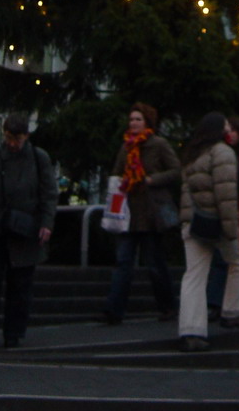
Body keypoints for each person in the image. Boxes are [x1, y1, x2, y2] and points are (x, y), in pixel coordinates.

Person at [0, 113, 58, 350]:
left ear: (26, 136)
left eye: (16, 138)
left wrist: (46, 223)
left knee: (20, 285)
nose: (11, 143)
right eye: (9, 137)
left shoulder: (38, 158)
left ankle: (13, 333)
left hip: (24, 227)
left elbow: (49, 193)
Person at [177, 112, 239, 351]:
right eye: (227, 126)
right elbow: (226, 195)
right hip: (216, 222)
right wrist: (232, 231)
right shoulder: (222, 152)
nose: (229, 130)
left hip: (193, 222)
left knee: (194, 275)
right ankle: (233, 310)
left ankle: (191, 330)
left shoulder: (192, 155)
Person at [103, 102, 180, 324]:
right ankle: (114, 310)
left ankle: (167, 307)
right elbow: (116, 173)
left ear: (147, 122)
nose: (134, 123)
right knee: (123, 261)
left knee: (155, 263)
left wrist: (152, 180)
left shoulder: (158, 144)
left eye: (138, 119)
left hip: (151, 212)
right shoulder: (126, 147)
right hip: (128, 212)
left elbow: (175, 170)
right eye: (131, 119)